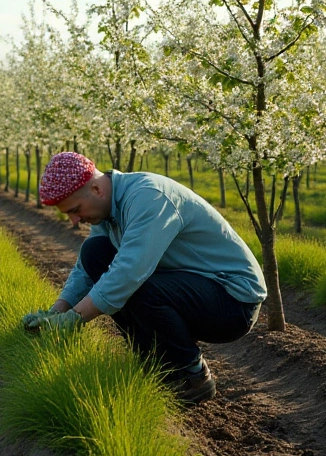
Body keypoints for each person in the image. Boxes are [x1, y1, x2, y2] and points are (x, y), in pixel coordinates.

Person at [22, 152, 267, 405]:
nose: (75, 220)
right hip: (193, 285)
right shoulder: (108, 210)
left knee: (138, 286)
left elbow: (128, 272)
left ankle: (192, 374)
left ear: (96, 189)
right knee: (94, 253)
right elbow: (86, 270)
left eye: (75, 210)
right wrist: (56, 311)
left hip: (232, 300)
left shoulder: (148, 197)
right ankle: (154, 361)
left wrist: (75, 318)